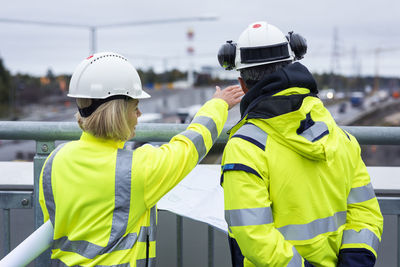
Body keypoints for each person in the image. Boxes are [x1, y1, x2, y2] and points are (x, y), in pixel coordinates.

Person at [38, 51, 243, 266]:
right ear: (117, 113)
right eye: (135, 108)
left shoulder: (54, 161)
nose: (139, 115)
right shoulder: (135, 170)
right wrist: (218, 105)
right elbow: (190, 147)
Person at [218, 21, 383, 267]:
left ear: (242, 85)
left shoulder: (244, 148)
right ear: (292, 65)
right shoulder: (339, 136)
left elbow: (253, 236)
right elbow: (365, 214)